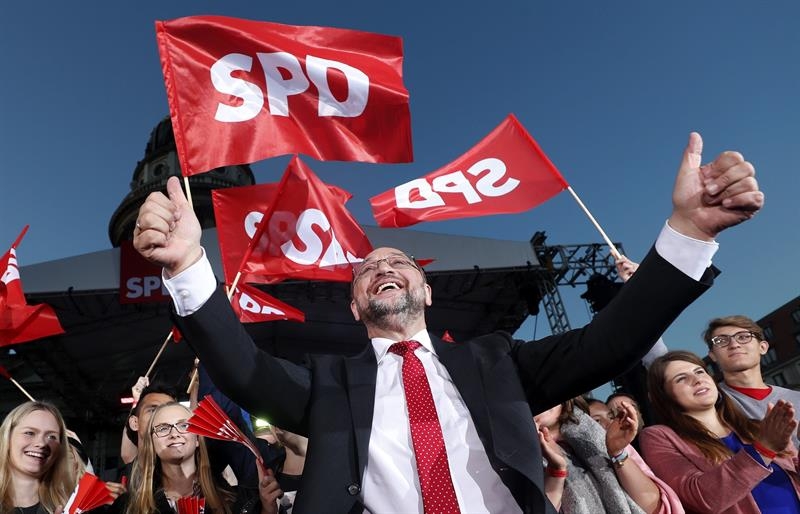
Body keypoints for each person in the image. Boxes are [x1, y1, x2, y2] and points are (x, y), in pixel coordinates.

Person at [133, 132, 763, 513]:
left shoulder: (499, 362)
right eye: (366, 269)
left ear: (425, 290)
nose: (383, 267)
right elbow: (243, 369)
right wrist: (189, 263)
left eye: (398, 262)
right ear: (354, 307)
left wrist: (689, 234)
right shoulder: (328, 384)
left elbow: (609, 342)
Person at [640, 350, 800, 513]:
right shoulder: (659, 436)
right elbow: (702, 499)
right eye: (681, 378)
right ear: (662, 395)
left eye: (700, 371)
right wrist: (763, 450)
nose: (697, 380)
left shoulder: (760, 428)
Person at [110, 402, 281, 514]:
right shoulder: (128, 507)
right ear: (151, 442)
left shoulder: (233, 501)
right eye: (163, 428)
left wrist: (268, 509)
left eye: (184, 425)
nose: (174, 434)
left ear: (198, 439)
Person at [535, 396, 682, 513]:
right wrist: (556, 473)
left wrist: (617, 453)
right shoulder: (518, 454)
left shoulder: (603, 436)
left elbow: (655, 507)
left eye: (538, 389)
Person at [704, 315, 800, 446]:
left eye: (743, 337)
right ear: (713, 356)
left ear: (763, 347)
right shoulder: (710, 402)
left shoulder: (797, 398)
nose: (734, 344)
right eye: (721, 341)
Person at [0, 401, 73, 514]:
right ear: (7, 438)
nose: (42, 443)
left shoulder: (71, 506)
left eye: (51, 436)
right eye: (29, 433)